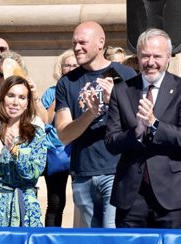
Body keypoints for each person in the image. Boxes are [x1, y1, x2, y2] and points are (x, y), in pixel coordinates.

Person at [105, 28, 181, 228]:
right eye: (145, 55)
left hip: (173, 196)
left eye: (157, 56)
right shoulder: (121, 90)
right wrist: (136, 132)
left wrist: (154, 124)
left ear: (168, 58)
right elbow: (111, 143)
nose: (150, 62)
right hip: (131, 196)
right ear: (137, 57)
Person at [55, 21, 136, 228]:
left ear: (101, 43)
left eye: (83, 42)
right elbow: (63, 135)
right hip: (82, 174)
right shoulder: (67, 82)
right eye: (74, 43)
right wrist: (91, 113)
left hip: (116, 170)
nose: (76, 47)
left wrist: (114, 102)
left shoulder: (126, 76)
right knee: (91, 242)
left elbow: (137, 125)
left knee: (112, 236)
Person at [0, 75, 46, 227]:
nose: (15, 102)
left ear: (27, 103)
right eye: (11, 95)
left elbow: (34, 172)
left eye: (22, 97)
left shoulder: (36, 133)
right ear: (2, 98)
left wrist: (13, 150)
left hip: (25, 205)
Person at [40, 49, 77, 227]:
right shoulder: (51, 92)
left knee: (83, 201)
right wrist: (56, 101)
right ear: (60, 69)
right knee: (56, 202)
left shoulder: (84, 88)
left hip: (78, 151)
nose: (70, 68)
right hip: (56, 152)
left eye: (75, 65)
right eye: (67, 65)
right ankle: (51, 237)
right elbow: (43, 121)